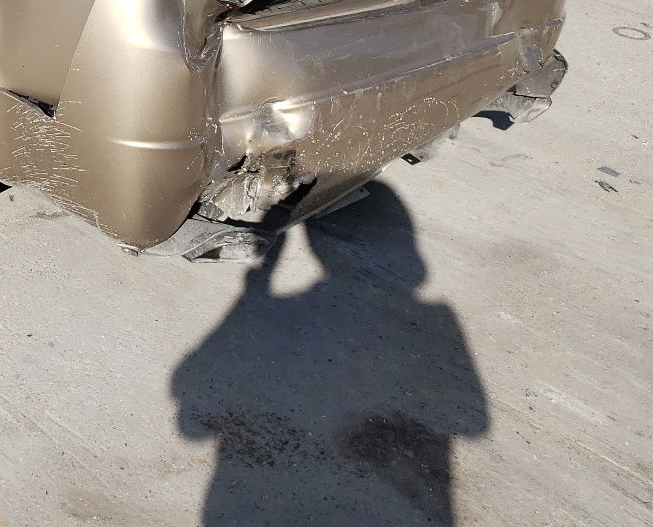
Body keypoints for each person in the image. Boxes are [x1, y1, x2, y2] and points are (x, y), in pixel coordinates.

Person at [171, 184, 488, 525]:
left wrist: (255, 292)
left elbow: (189, 411)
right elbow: (473, 422)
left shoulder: (433, 321)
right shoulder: (437, 321)